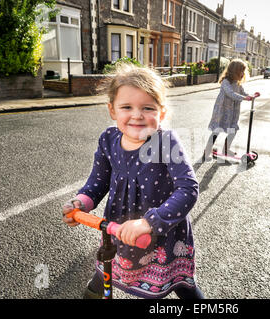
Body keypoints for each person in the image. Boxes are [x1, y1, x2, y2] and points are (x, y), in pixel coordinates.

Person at [62, 63, 204, 299]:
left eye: (148, 108)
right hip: (119, 229)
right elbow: (98, 181)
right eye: (126, 107)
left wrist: (150, 222)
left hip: (161, 233)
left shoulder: (165, 142)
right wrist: (81, 203)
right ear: (112, 110)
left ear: (162, 113)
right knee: (106, 267)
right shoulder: (108, 138)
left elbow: (188, 188)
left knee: (181, 284)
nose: (137, 115)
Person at [202, 59, 259, 161]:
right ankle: (207, 150)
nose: (243, 73)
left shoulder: (238, 83)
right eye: (241, 71)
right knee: (217, 130)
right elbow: (230, 94)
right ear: (234, 71)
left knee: (233, 129)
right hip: (222, 110)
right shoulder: (225, 82)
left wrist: (251, 96)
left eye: (243, 71)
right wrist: (244, 98)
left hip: (233, 111)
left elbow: (243, 93)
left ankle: (226, 149)